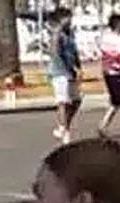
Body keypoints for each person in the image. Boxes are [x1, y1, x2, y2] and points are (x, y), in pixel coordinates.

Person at [97, 13, 120, 143]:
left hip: (108, 72)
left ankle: (102, 125)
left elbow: (103, 53)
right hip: (118, 73)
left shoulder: (104, 36)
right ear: (118, 25)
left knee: (116, 102)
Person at [48, 8, 82, 145]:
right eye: (68, 17)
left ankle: (64, 125)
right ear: (61, 19)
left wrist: (78, 66)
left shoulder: (70, 33)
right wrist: (65, 69)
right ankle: (64, 130)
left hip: (71, 72)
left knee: (77, 100)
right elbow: (54, 53)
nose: (70, 20)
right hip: (60, 72)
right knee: (63, 101)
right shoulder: (57, 34)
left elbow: (74, 51)